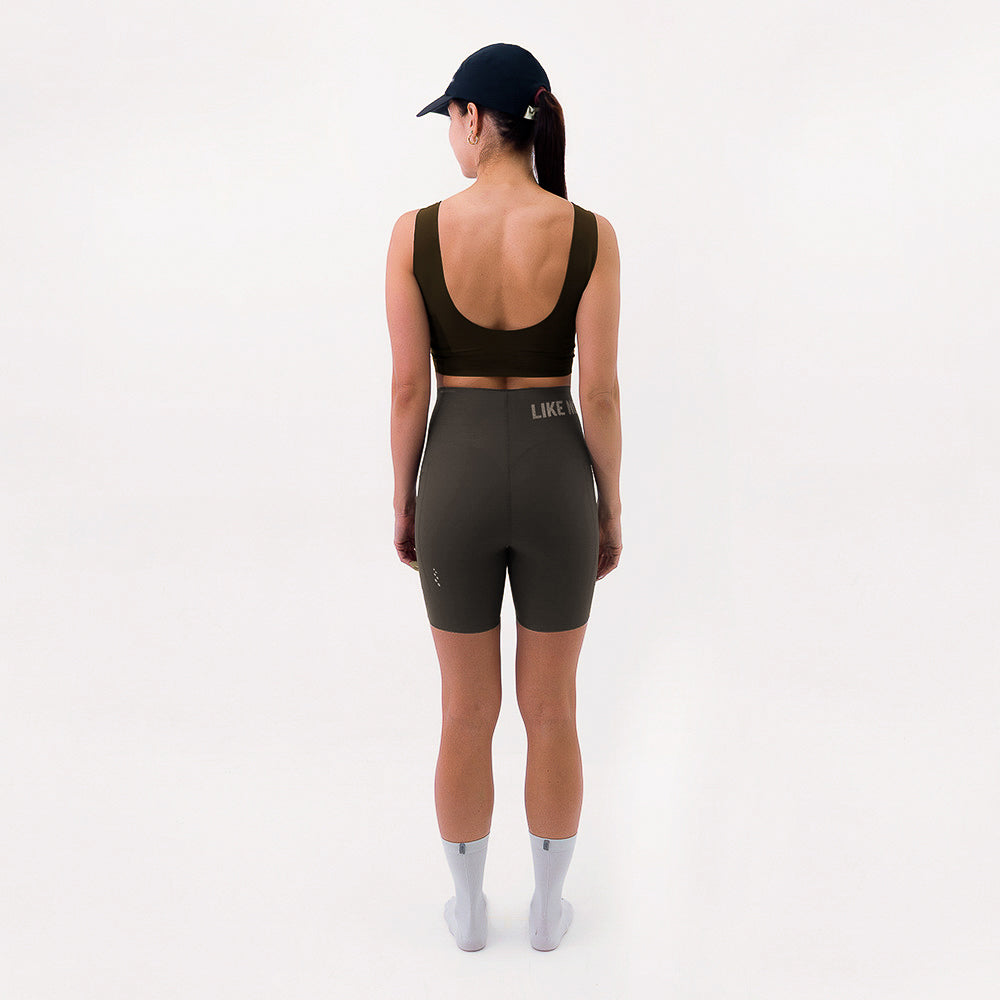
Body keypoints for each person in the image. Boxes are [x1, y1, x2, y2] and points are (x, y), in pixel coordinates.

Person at [385, 42, 623, 952]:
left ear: (477, 119)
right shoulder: (591, 234)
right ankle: (550, 913)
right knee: (553, 709)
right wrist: (608, 506)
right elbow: (600, 394)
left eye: (450, 117)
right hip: (558, 468)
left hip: (457, 473)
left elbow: (408, 388)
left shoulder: (414, 234)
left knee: (465, 710)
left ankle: (468, 910)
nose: (450, 134)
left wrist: (405, 499)